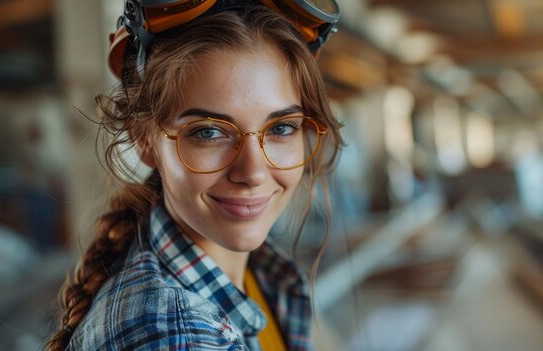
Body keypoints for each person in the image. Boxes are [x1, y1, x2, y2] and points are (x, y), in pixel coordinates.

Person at [46, 0, 343, 350]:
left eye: (281, 128)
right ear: (144, 139)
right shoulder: (174, 335)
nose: (253, 173)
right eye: (208, 132)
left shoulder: (258, 275)